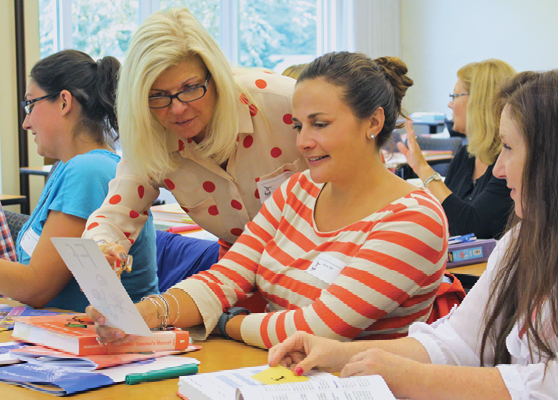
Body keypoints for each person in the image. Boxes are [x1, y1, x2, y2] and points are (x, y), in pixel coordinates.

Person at [269, 66, 558, 399]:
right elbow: (461, 342)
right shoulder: (523, 240)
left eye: (509, 149)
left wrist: (412, 377)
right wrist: (336, 353)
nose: (499, 169)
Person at [88, 51, 451, 349]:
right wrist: (146, 314)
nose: (303, 142)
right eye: (298, 126)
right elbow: (225, 278)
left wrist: (228, 324)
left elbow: (320, 327)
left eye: (319, 124)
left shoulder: (413, 219)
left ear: (372, 122)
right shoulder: (299, 189)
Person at [82, 8, 306, 279]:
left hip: (326, 259)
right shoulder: (151, 137)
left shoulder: (282, 101)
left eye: (189, 88)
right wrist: (102, 248)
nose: (177, 109)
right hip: (244, 269)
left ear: (215, 77)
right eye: (158, 96)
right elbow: (113, 215)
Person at [0, 50, 158, 312]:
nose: (26, 123)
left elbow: (37, 287)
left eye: (30, 105)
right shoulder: (67, 167)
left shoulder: (89, 171)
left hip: (106, 339)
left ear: (64, 102)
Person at [398, 59, 515, 239]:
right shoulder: (466, 156)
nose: (449, 104)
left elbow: (473, 227)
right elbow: (442, 217)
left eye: (454, 96)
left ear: (479, 101)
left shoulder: (509, 164)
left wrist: (423, 169)